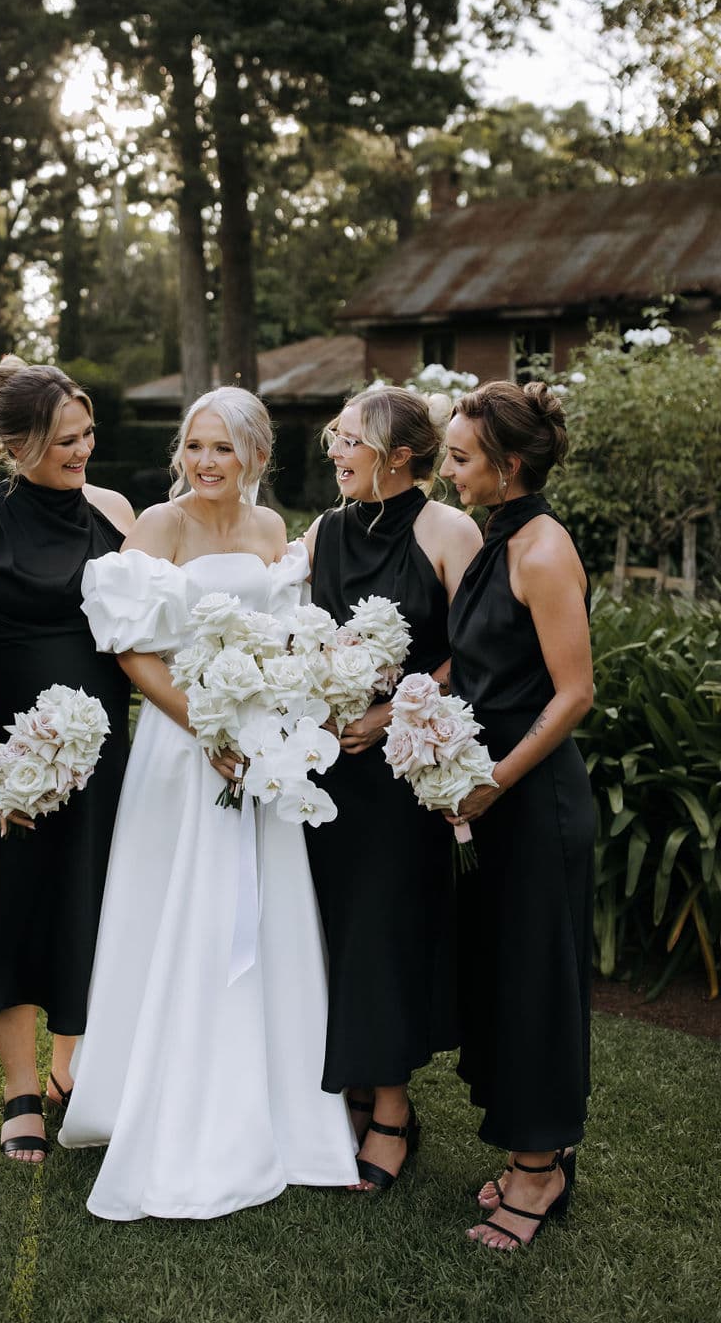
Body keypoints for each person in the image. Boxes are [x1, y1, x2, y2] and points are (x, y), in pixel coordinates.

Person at [59, 386, 359, 1220]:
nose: (204, 462)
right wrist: (207, 724)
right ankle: (142, 1095)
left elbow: (289, 636)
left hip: (258, 753)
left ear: (255, 455)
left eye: (221, 448)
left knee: (262, 918)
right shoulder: (161, 526)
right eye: (194, 446)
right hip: (179, 744)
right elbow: (128, 646)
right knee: (174, 910)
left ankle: (275, 1102)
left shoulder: (271, 531)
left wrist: (269, 718)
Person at [0, 359, 134, 1163]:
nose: (82, 450)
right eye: (64, 440)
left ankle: (68, 1071)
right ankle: (20, 1088)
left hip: (102, 750)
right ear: (15, 445)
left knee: (89, 898)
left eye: (88, 434)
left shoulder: (116, 511)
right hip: (7, 749)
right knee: (14, 903)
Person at [303, 385, 482, 1192]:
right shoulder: (324, 532)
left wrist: (390, 713)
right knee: (336, 927)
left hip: (405, 765)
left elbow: (479, 648)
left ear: (399, 455)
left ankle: (394, 1110)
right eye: (334, 440)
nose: (334, 454)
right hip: (328, 768)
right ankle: (349, 1086)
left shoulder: (449, 530)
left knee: (386, 929)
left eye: (348, 442)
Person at [439, 379, 594, 1251]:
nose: (450, 472)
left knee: (537, 985)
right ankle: (530, 1152)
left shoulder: (542, 550)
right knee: (501, 975)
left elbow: (574, 693)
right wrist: (417, 705)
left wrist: (493, 779)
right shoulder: (496, 541)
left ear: (511, 467)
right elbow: (480, 663)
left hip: (535, 802)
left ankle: (541, 1173)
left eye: (462, 460)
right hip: (488, 799)